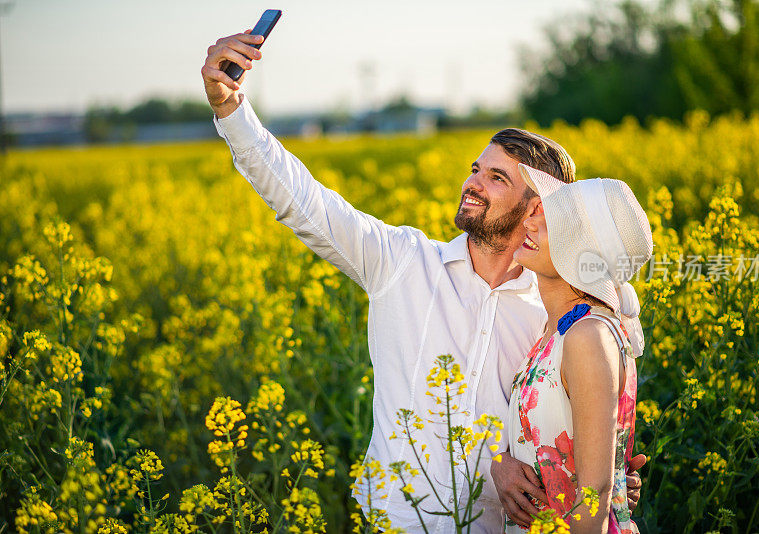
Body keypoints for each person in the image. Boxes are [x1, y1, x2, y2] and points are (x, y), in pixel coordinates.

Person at [201, 31, 643, 533]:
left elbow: (572, 437)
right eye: (477, 169)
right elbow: (305, 202)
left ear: (537, 209)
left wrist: (606, 478)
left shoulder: (556, 316)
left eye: (497, 178)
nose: (473, 182)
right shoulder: (403, 263)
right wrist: (232, 112)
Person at [504, 165, 652, 533]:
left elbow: (595, 493)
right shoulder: (557, 328)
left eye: (553, 219)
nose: (531, 221)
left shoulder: (587, 336)